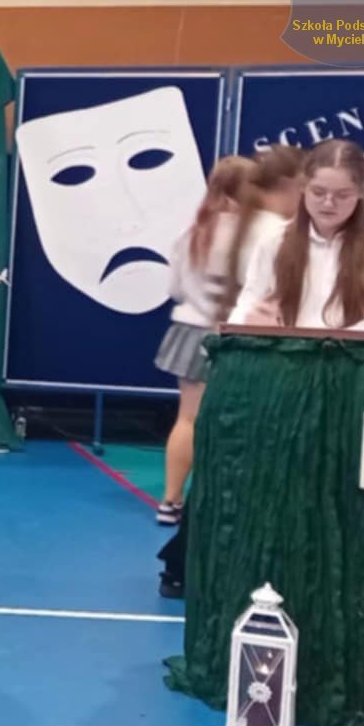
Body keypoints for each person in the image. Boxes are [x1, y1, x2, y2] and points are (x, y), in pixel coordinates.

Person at [151, 147, 303, 528]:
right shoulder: (272, 230)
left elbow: (175, 289)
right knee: (245, 423)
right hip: (243, 338)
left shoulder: (194, 231)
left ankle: (170, 500)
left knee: (188, 419)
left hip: (190, 333)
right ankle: (229, 503)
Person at [229, 139, 364, 333]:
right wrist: (251, 319)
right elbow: (246, 306)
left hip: (362, 352)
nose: (328, 203)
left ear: (361, 191)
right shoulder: (274, 241)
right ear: (303, 187)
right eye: (318, 192)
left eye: (342, 195)